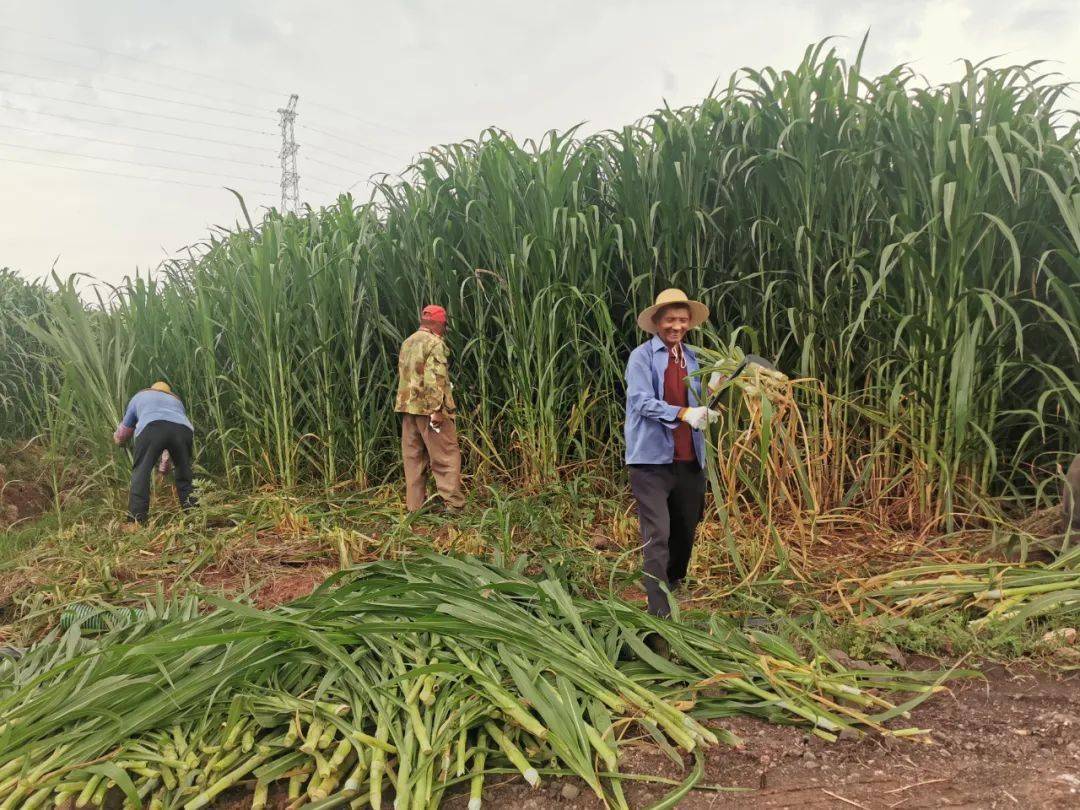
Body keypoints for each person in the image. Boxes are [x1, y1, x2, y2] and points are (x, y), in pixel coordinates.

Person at [625, 289, 721, 619]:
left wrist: (711, 396)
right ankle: (659, 609)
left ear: (689, 323)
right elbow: (640, 401)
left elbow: (698, 399)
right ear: (656, 323)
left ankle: (675, 581)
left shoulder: (694, 358)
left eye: (682, 320)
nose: (676, 326)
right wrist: (683, 414)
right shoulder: (642, 357)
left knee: (686, 529)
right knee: (658, 534)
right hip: (650, 462)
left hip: (690, 459)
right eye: (669, 320)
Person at [395, 305, 465, 513]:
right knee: (445, 456)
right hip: (429, 411)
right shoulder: (435, 343)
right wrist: (437, 410)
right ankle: (453, 504)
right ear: (438, 324)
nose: (445, 329)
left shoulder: (408, 342)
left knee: (413, 459)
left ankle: (414, 506)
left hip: (409, 410)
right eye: (444, 325)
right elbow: (435, 378)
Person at [113, 381, 196, 523]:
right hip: (184, 430)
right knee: (184, 473)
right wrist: (165, 462)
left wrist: (118, 440)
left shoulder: (140, 396)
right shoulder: (177, 402)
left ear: (151, 389)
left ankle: (136, 520)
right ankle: (194, 515)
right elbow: (170, 431)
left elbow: (124, 432)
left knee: (141, 471)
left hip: (152, 427)